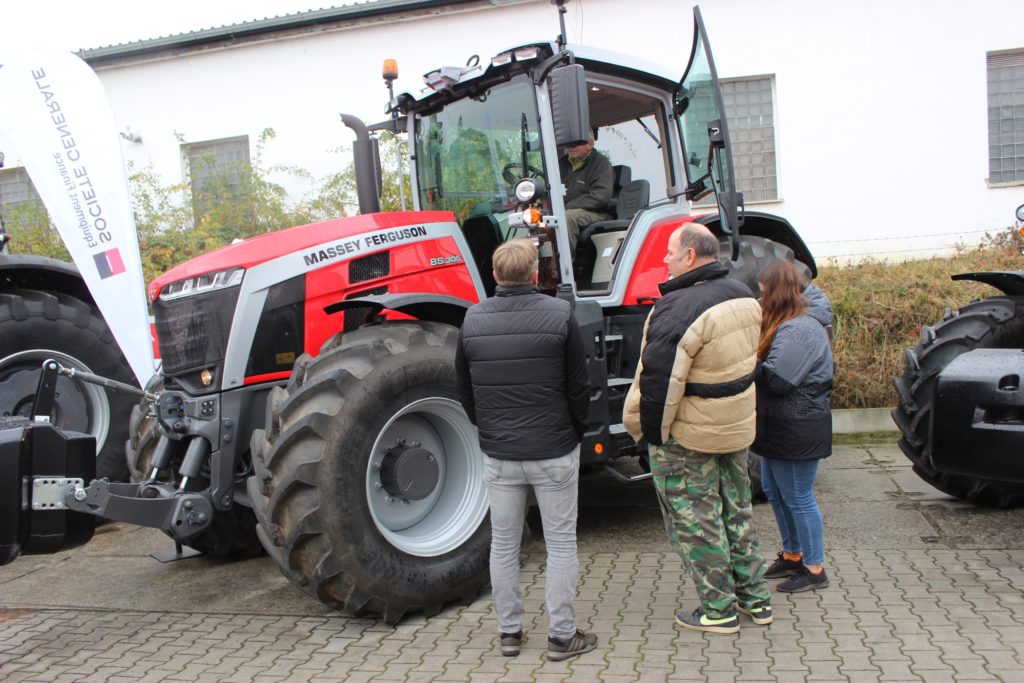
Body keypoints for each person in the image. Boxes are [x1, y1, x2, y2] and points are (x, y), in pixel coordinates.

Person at [623, 223, 772, 635]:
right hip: (735, 427)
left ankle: (719, 610)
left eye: (670, 252)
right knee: (737, 513)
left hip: (690, 437)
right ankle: (756, 601)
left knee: (697, 522)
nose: (664, 259)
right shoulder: (744, 295)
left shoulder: (677, 308)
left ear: (690, 256)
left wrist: (651, 436)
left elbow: (658, 382)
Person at [455, 238, 597, 661]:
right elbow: (579, 386)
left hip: (500, 454)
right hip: (554, 449)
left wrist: (491, 428)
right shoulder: (560, 314)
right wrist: (576, 431)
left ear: (495, 275)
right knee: (560, 544)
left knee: (503, 545)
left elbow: (465, 389)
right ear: (535, 273)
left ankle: (510, 633)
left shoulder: (472, 319)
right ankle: (561, 636)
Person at [753, 260, 834, 592]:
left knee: (798, 497)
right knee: (775, 490)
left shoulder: (801, 328)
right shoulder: (787, 322)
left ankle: (814, 569)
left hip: (799, 424)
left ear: (777, 292)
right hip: (780, 424)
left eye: (763, 294)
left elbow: (778, 380)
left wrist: (745, 364)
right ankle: (792, 554)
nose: (760, 301)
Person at [558, 133, 614, 254]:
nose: (572, 147)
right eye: (569, 143)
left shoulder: (601, 163)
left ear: (590, 143)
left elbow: (601, 197)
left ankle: (564, 267)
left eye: (577, 143)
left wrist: (568, 206)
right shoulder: (560, 164)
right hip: (563, 210)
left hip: (597, 212)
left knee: (566, 217)